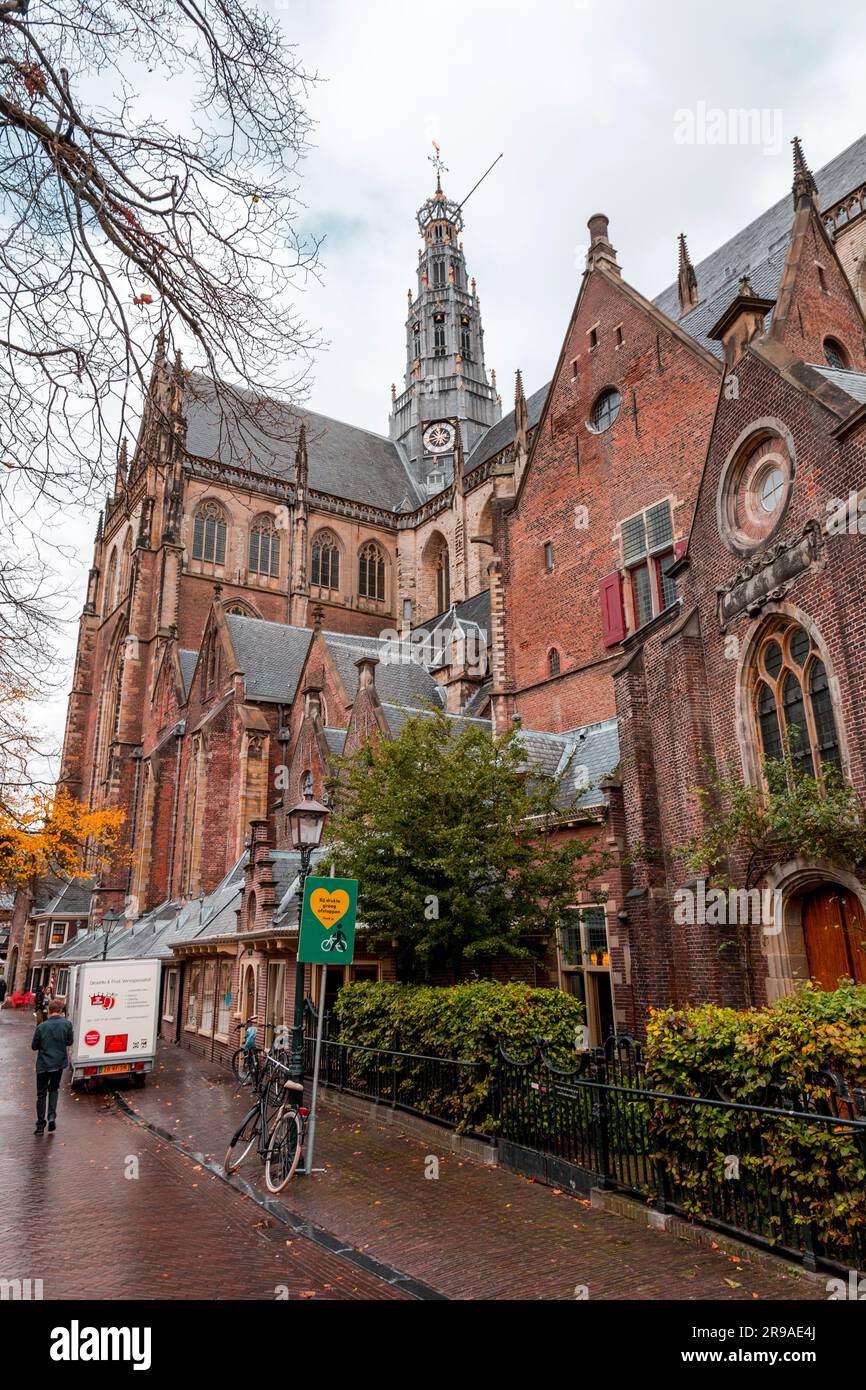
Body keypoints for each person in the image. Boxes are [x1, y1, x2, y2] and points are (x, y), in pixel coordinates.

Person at [31, 999, 73, 1135]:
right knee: (54, 1089)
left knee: (41, 1094)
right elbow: (69, 1041)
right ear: (60, 1011)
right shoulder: (67, 1024)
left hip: (43, 1064)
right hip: (58, 1064)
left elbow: (34, 1046)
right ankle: (51, 1117)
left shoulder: (41, 1027)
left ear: (49, 1010)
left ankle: (39, 1126)